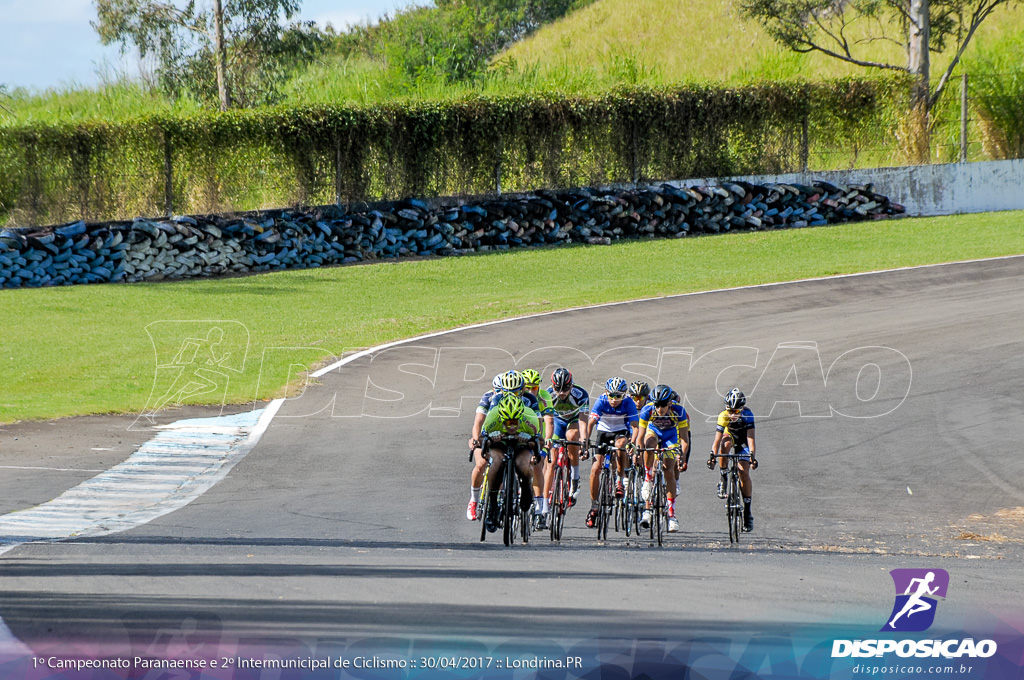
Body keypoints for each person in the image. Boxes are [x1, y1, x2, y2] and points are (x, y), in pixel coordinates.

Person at [466, 370, 532, 520]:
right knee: (482, 463)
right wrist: (476, 439)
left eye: (515, 392)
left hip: (516, 433)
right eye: (506, 391)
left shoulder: (528, 400)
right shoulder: (491, 398)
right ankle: (474, 500)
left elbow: (536, 423)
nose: (510, 395)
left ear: (522, 390)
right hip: (491, 432)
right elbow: (478, 422)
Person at [480, 393, 542, 533]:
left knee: (522, 465)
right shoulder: (492, 418)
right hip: (499, 444)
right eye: (508, 423)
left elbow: (539, 443)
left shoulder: (530, 418)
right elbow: (482, 441)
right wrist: (491, 440)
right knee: (497, 463)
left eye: (515, 422)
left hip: (522, 446)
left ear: (521, 418)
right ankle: (493, 505)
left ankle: (526, 489)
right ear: (501, 419)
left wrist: (530, 442)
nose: (512, 426)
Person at [583, 376, 639, 528]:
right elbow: (591, 423)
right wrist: (585, 441)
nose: (614, 400)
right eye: (611, 396)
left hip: (621, 432)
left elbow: (635, 427)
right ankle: (594, 507)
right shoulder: (601, 400)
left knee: (621, 445)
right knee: (595, 469)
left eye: (618, 396)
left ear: (624, 395)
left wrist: (632, 443)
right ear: (606, 393)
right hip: (603, 433)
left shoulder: (628, 403)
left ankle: (620, 481)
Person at [635, 384, 690, 532]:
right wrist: (638, 452)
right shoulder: (647, 410)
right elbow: (640, 437)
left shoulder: (679, 411)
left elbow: (684, 438)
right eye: (657, 405)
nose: (660, 409)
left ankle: (671, 515)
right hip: (654, 433)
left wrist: (682, 455)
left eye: (663, 405)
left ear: (670, 403)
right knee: (649, 443)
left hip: (670, 437)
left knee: (668, 469)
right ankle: (648, 479)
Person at [707, 388, 758, 532]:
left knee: (743, 471)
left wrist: (752, 457)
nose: (732, 414)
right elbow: (717, 440)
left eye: (736, 411)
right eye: (730, 411)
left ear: (741, 409)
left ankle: (747, 512)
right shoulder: (723, 416)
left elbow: (751, 439)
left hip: (743, 442)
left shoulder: (748, 415)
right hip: (730, 437)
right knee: (725, 444)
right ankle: (723, 476)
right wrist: (712, 455)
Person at [542, 367, 590, 510]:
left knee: (572, 436)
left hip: (574, 420)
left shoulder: (581, 395)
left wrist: (584, 441)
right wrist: (546, 439)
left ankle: (575, 477)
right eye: (558, 389)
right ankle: (544, 503)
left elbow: (583, 421)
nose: (561, 393)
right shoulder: (548, 395)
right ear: (553, 387)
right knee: (551, 461)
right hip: (557, 421)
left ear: (571, 386)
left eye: (565, 389)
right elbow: (547, 421)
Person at [521, 368, 556, 529]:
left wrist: (548, 439)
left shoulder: (544, 396)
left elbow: (548, 421)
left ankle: (539, 508)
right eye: (527, 388)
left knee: (537, 465)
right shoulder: (517, 397)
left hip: (538, 435)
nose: (530, 391)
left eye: (534, 388)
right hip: (521, 434)